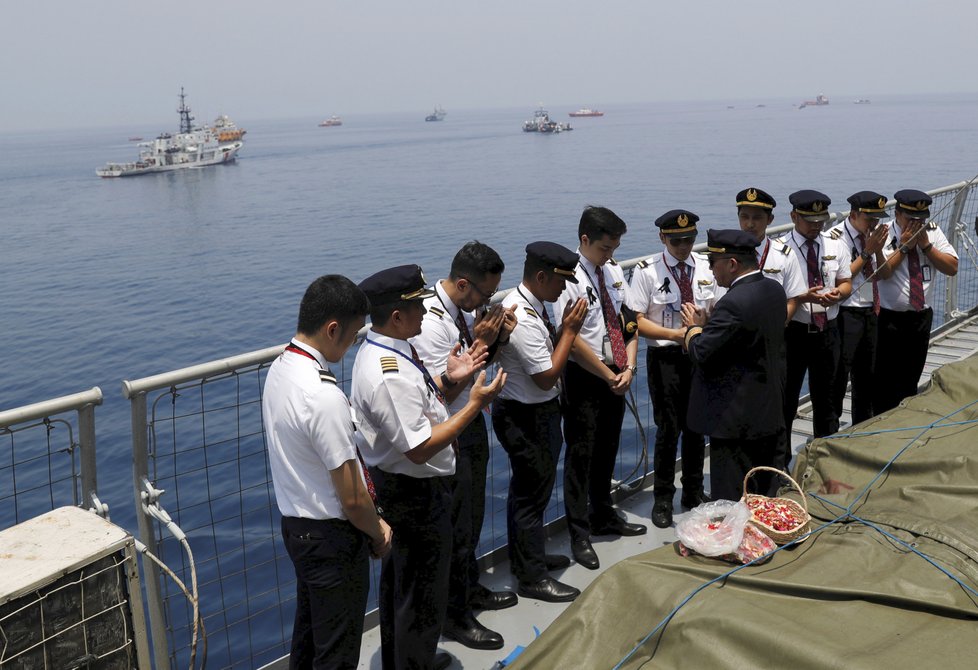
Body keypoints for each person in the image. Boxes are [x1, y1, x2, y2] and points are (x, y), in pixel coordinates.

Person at [351, 264, 506, 670]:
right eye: (417, 306)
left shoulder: (392, 351)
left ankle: (406, 658)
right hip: (412, 494)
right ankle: (413, 663)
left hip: (407, 489)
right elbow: (418, 448)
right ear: (397, 317)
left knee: (405, 589)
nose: (425, 311)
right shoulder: (389, 371)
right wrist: (474, 404)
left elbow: (419, 406)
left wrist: (449, 379)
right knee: (419, 594)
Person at [262, 274, 393, 670]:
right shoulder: (323, 395)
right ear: (332, 328)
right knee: (337, 653)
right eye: (353, 335)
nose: (354, 344)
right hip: (332, 541)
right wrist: (377, 531)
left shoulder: (281, 369)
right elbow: (353, 498)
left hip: (297, 529)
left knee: (308, 639)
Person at [409, 242, 517, 651]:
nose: (485, 304)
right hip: (449, 432)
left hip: (471, 426)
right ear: (462, 284)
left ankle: (469, 588)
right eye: (484, 296)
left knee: (470, 518)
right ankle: (454, 617)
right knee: (455, 526)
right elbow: (444, 390)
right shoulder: (433, 323)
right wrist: (483, 342)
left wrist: (495, 335)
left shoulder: (462, 313)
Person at [492, 241, 588, 602]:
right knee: (531, 498)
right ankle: (531, 578)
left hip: (531, 413)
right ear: (542, 276)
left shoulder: (530, 308)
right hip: (528, 417)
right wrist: (571, 332)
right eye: (560, 281)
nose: (564, 289)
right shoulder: (523, 319)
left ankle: (527, 558)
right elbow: (546, 377)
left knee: (529, 494)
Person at [554, 206, 646, 571]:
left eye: (616, 248)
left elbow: (627, 319)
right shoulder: (569, 279)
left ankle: (604, 513)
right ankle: (579, 532)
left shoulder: (611, 270)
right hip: (585, 377)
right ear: (585, 241)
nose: (611, 255)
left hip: (616, 370)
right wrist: (607, 375)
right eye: (606, 248)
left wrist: (629, 365)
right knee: (581, 454)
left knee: (608, 446)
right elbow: (571, 339)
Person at [682, 230, 787, 501]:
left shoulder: (733, 303)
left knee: (732, 497)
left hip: (735, 422)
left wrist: (694, 329)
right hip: (768, 412)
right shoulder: (774, 289)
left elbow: (702, 353)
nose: (710, 270)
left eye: (713, 262)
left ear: (731, 264)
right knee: (764, 494)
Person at [630, 209, 718, 528]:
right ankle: (663, 498)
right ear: (663, 238)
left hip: (697, 354)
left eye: (689, 239)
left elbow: (715, 308)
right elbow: (637, 321)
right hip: (666, 358)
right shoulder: (647, 272)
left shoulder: (706, 267)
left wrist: (703, 325)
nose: (683, 246)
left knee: (696, 427)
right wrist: (674, 335)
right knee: (668, 430)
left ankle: (693, 491)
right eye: (677, 240)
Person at [779, 190, 852, 452]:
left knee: (828, 400)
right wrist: (800, 298)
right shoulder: (780, 250)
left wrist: (838, 295)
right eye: (810, 220)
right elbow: (775, 297)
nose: (816, 226)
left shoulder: (835, 245)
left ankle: (825, 454)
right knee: (786, 400)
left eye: (820, 220)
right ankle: (782, 461)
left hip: (827, 331)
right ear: (794, 216)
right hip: (794, 333)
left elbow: (845, 282)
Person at [875, 189, 958, 413]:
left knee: (911, 376)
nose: (917, 223)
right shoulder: (883, 233)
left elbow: (951, 267)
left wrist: (927, 246)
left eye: (922, 218)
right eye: (911, 218)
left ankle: (904, 418)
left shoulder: (932, 232)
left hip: (920, 317)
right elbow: (884, 272)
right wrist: (904, 247)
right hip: (889, 318)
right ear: (898, 213)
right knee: (885, 379)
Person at [828, 191, 892, 425]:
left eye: (877, 220)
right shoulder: (835, 238)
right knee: (838, 375)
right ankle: (831, 426)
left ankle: (862, 425)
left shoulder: (873, 237)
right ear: (854, 215)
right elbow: (840, 278)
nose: (874, 224)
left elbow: (884, 274)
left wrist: (876, 250)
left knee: (867, 376)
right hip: (846, 313)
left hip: (870, 310)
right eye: (869, 219)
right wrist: (866, 251)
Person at [736, 187, 808, 321]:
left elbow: (793, 299)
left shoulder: (784, 255)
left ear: (770, 219)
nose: (750, 224)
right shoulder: (728, 255)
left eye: (757, 218)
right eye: (744, 217)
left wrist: (777, 327)